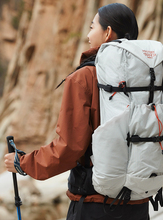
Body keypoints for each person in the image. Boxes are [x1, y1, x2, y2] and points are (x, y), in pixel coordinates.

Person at [4, 3, 150, 220]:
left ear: (107, 32)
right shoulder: (146, 73)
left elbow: (70, 147)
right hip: (138, 203)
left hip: (95, 206)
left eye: (93, 27)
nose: (88, 34)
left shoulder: (84, 77)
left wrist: (23, 163)